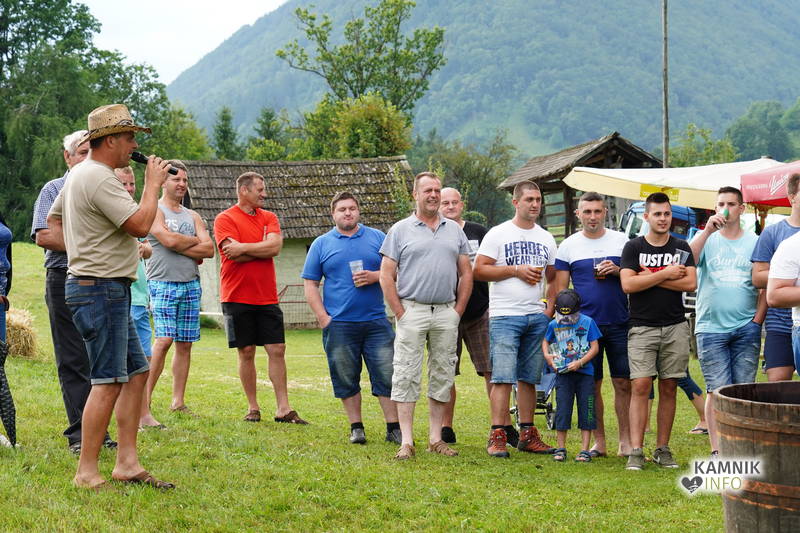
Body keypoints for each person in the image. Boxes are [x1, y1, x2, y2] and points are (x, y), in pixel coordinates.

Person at [47, 103, 174, 490]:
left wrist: (85, 245)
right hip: (99, 288)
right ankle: (86, 471)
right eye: (130, 137)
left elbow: (54, 220)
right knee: (107, 380)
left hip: (104, 288)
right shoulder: (99, 177)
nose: (135, 145)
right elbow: (140, 225)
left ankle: (127, 464)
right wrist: (152, 186)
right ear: (111, 140)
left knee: (136, 373)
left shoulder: (79, 174)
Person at [30, 130, 117, 454]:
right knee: (73, 358)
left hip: (102, 279)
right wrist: (91, 246)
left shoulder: (103, 188)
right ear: (67, 157)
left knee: (102, 360)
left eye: (90, 152)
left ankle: (99, 432)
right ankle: (80, 435)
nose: (86, 158)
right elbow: (43, 235)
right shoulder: (53, 189)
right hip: (64, 276)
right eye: (81, 152)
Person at [379, 172, 472, 460]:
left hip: (446, 311)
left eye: (437, 190)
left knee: (443, 373)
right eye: (428, 190)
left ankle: (435, 438)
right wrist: (400, 312)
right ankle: (406, 441)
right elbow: (386, 275)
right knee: (406, 373)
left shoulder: (454, 230)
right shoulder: (400, 230)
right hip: (412, 310)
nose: (433, 195)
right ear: (415, 195)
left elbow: (466, 273)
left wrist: (457, 311)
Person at [302, 192, 400, 444]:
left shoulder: (377, 238)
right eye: (342, 209)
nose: (348, 213)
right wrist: (323, 318)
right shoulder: (321, 244)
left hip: (376, 321)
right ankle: (356, 427)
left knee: (387, 374)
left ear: (358, 211)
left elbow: (396, 271)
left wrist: (375, 276)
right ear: (333, 214)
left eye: (352, 208)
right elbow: (310, 284)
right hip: (339, 324)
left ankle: (393, 427)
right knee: (345, 376)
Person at [214, 172, 307, 425]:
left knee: (277, 349)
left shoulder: (269, 217)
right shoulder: (224, 218)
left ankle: (283, 409)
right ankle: (253, 407)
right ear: (244, 190)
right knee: (246, 351)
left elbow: (274, 247)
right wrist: (260, 248)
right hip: (236, 295)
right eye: (259, 190)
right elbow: (232, 254)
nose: (264, 194)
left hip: (267, 297)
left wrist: (244, 247)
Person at [474, 180, 557, 458]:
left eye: (538, 200)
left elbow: (553, 278)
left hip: (536, 315)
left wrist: (549, 310)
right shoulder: (498, 234)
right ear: (516, 202)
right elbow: (479, 270)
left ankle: (528, 434)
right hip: (505, 315)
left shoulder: (546, 237)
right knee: (502, 377)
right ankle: (497, 434)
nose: (534, 204)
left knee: (529, 379)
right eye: (529, 199)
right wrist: (515, 270)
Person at [620, 192, 697, 471]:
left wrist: (648, 277)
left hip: (675, 325)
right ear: (647, 217)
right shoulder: (633, 247)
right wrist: (666, 274)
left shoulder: (681, 246)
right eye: (657, 214)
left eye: (666, 214)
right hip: (642, 326)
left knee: (669, 386)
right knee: (640, 385)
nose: (663, 219)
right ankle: (636, 450)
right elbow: (628, 285)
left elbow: (690, 284)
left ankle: (663, 449)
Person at [554, 191, 631, 457]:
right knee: (591, 385)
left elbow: (634, 277)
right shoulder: (568, 246)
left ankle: (625, 441)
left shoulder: (622, 241)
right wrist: (563, 325)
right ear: (578, 214)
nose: (593, 217)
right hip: (584, 329)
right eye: (587, 211)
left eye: (597, 211)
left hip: (620, 322)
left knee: (623, 383)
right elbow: (561, 290)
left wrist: (618, 271)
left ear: (605, 213)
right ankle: (600, 442)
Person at [438, 187, 517, 446]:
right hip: (445, 311)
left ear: (462, 205)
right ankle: (445, 427)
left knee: (491, 371)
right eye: (445, 203)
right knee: (445, 372)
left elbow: (494, 265)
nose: (450, 207)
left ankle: (503, 425)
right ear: (439, 206)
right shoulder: (435, 233)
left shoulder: (480, 232)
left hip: (479, 310)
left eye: (454, 202)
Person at [140, 160, 213, 428]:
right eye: (176, 179)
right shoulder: (154, 210)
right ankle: (144, 403)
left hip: (190, 284)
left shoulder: (193, 216)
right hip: (162, 283)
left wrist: (180, 243)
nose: (181, 184)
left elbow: (209, 249)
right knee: (164, 340)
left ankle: (178, 401)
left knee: (185, 343)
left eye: (184, 180)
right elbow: (167, 240)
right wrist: (192, 242)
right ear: (164, 182)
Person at [690, 186, 763, 456]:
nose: (726, 209)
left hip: (746, 326)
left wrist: (757, 320)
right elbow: (688, 260)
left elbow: (764, 283)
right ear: (715, 207)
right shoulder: (706, 238)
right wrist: (707, 231)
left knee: (743, 391)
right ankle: (718, 450)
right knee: (716, 390)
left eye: (731, 204)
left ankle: (741, 447)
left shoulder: (755, 241)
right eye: (721, 204)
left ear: (742, 209)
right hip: (711, 327)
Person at [543, 289, 601, 462]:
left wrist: (580, 362)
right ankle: (561, 448)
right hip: (563, 375)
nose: (567, 320)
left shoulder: (588, 322)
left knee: (587, 410)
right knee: (562, 410)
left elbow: (595, 347)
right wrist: (547, 356)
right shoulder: (554, 324)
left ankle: (584, 450)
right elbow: (545, 340)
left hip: (585, 375)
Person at [752, 173, 800, 381]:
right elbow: (757, 277)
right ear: (792, 197)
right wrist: (786, 275)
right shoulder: (774, 233)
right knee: (778, 387)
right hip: (780, 322)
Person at [114, 167, 154, 364]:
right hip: (121, 294)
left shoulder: (136, 213)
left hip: (140, 296)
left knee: (146, 358)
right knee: (126, 359)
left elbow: (148, 248)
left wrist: (142, 248)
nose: (129, 189)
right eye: (124, 184)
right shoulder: (110, 211)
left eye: (132, 184)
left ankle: (144, 389)